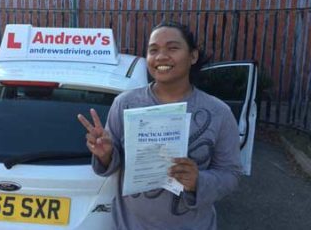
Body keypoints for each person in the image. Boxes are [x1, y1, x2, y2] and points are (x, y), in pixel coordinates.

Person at [77, 21, 241, 230]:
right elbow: (112, 166)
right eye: (153, 50)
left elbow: (231, 173)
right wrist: (105, 154)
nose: (161, 56)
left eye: (172, 48)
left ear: (193, 56)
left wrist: (199, 181)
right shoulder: (125, 104)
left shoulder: (218, 112)